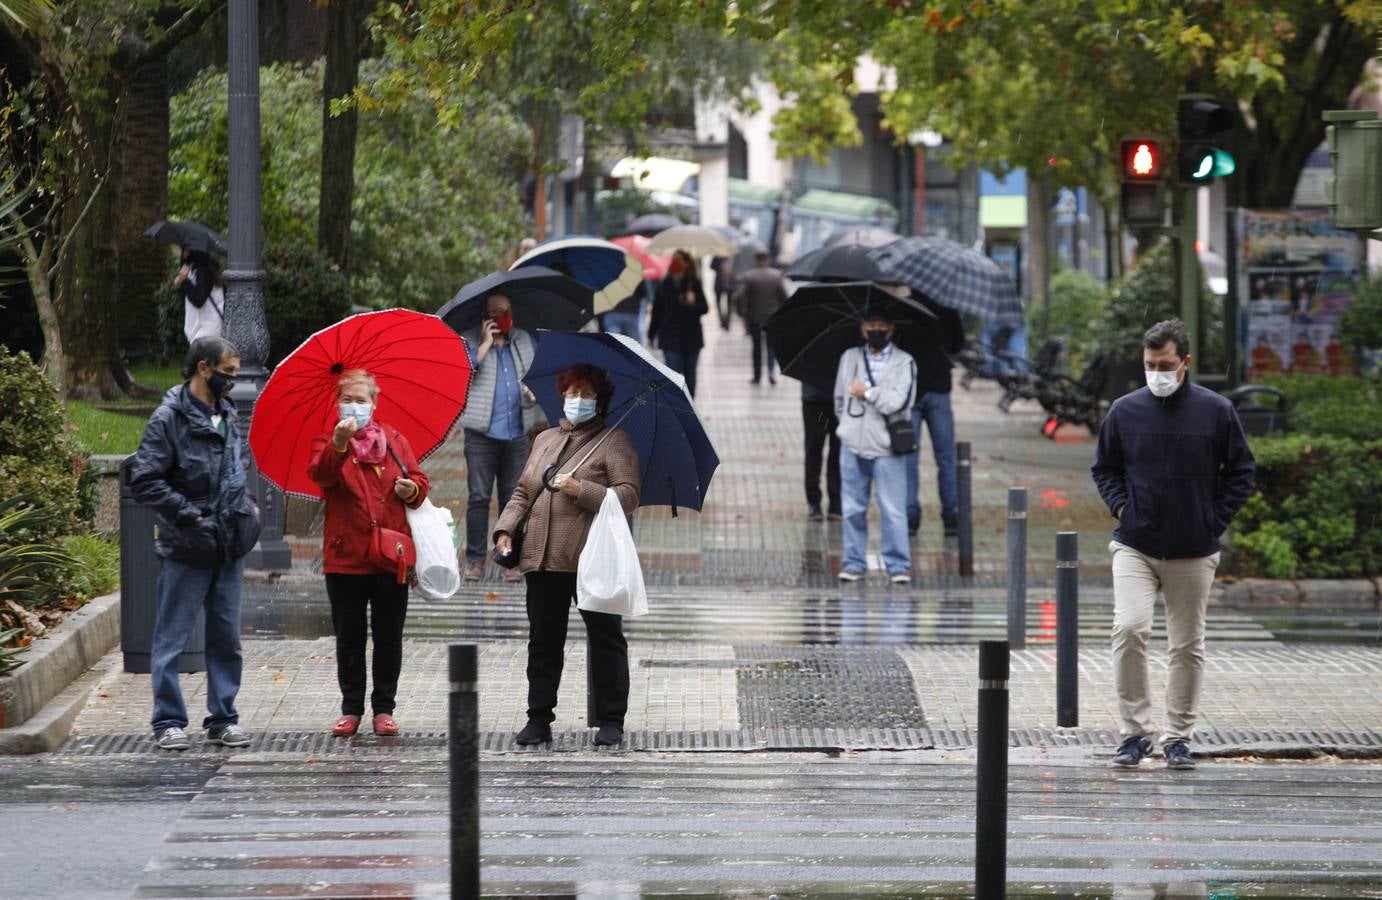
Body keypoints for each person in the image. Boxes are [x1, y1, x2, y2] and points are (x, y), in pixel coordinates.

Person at [1092, 319, 1255, 770]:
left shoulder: (1216, 411)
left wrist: (1213, 518)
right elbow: (1104, 468)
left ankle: (1178, 737)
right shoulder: (1125, 411)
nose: (1156, 372)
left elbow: (1242, 471)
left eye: (1165, 365)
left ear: (1185, 363)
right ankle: (1133, 733)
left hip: (1194, 548)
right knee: (1129, 628)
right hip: (1135, 544)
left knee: (1186, 645)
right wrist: (1122, 508)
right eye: (1149, 365)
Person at [494, 364, 641, 747]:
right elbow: (524, 493)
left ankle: (611, 720)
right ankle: (538, 718)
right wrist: (505, 531)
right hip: (542, 559)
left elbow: (628, 495)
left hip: (592, 558)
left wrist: (580, 488)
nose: (577, 400)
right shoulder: (544, 439)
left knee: (606, 638)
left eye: (586, 394)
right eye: (572, 393)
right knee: (543, 641)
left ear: (601, 400)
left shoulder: (614, 441)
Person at [129, 336, 256, 751]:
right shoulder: (169, 418)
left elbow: (237, 468)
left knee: (226, 638)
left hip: (227, 545)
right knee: (172, 636)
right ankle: (167, 720)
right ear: (204, 368)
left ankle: (223, 717)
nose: (232, 381)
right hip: (188, 546)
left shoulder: (227, 414)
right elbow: (145, 480)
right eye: (228, 372)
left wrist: (248, 509)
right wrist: (191, 515)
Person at [307, 369, 430, 738]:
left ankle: (384, 708)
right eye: (349, 399)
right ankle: (351, 708)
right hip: (346, 556)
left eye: (362, 400)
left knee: (389, 634)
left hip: (391, 554)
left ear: (375, 404)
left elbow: (420, 482)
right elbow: (321, 475)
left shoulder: (394, 440)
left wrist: (412, 490)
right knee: (350, 635)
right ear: (337, 404)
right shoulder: (327, 442)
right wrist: (340, 445)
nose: (355, 406)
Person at [460, 293, 543, 583]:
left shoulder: (523, 341)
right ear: (485, 316)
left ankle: (510, 559)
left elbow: (537, 375)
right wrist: (484, 346)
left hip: (517, 433)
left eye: (507, 310)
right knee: (479, 498)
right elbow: (463, 371)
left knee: (513, 499)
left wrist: (533, 392)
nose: (504, 316)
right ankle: (475, 560)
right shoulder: (468, 340)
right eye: (497, 312)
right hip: (480, 435)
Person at [834, 310, 917, 584]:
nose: (876, 330)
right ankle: (853, 562)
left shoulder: (905, 362)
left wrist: (867, 392)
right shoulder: (849, 358)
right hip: (852, 444)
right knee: (852, 507)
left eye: (882, 325)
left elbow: (897, 403)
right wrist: (847, 424)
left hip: (887, 448)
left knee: (892, 508)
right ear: (862, 328)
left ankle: (898, 565)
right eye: (871, 325)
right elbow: (839, 399)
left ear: (891, 329)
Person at [898, 289, 964, 537]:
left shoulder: (903, 306)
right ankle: (951, 515)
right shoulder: (948, 307)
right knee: (946, 457)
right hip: (939, 389)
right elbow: (958, 346)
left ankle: (910, 516)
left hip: (910, 390)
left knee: (908, 458)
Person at [648, 249, 709, 397]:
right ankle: (677, 409)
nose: (677, 262)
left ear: (687, 263)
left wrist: (691, 304)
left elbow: (704, 308)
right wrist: (651, 334)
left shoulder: (693, 284)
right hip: (670, 337)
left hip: (692, 338)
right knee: (673, 376)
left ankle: (690, 408)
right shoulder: (664, 285)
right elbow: (657, 311)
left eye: (680, 259)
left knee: (690, 375)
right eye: (674, 259)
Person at [733, 250, 788, 385]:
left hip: (754, 317)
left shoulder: (749, 276)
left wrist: (741, 314)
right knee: (770, 347)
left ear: (756, 260)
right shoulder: (776, 276)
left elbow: (740, 297)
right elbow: (784, 297)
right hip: (772, 317)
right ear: (768, 260)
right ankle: (770, 373)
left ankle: (757, 375)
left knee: (756, 347)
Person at [802, 380, 842, 522]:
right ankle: (813, 501)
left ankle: (836, 501)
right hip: (815, 400)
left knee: (838, 451)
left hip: (840, 398)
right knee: (813, 449)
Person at [174, 248, 224, 345]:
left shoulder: (204, 270)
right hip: (201, 330)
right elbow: (189, 298)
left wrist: (184, 281)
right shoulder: (194, 268)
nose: (178, 251)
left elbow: (199, 300)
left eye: (181, 248)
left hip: (208, 330)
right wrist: (180, 282)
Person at [711, 255, 733, 331]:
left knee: (729, 304)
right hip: (719, 283)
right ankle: (722, 320)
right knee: (718, 303)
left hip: (729, 282)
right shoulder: (717, 257)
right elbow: (711, 266)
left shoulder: (731, 257)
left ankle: (727, 321)